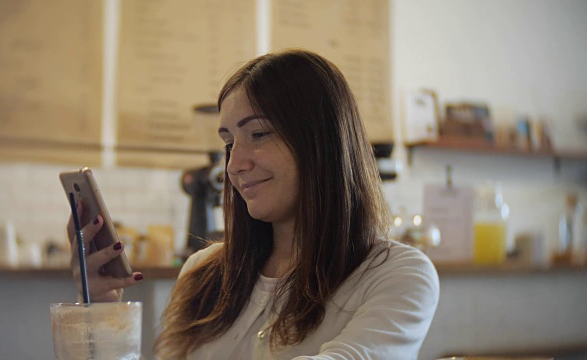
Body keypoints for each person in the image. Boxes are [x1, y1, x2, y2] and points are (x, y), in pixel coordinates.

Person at [68, 49, 439, 359]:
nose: (234, 164)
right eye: (228, 142)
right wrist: (102, 311)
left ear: (321, 143)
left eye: (258, 134)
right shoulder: (202, 274)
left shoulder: (397, 275)